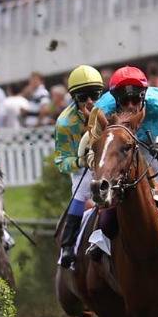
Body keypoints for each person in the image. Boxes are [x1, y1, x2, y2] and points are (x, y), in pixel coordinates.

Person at [87, 66, 158, 243]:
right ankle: (99, 245)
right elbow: (93, 152)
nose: (131, 105)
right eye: (124, 100)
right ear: (115, 99)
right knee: (107, 222)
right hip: (117, 155)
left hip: (152, 148)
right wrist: (103, 168)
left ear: (144, 95)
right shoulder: (101, 112)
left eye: (135, 98)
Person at [51, 65, 107, 270]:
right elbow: (61, 161)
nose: (90, 102)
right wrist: (81, 162)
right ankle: (68, 246)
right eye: (84, 97)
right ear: (75, 98)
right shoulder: (65, 122)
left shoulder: (113, 108)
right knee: (83, 191)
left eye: (94, 95)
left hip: (111, 161)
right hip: (84, 168)